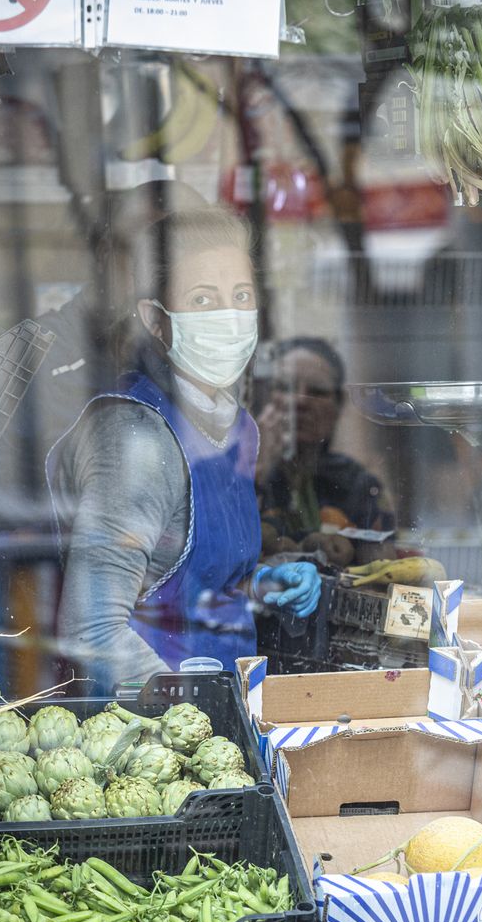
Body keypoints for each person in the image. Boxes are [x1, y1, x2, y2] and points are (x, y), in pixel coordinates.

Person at [47, 208, 322, 689]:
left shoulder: (238, 428)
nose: (229, 317)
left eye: (241, 296)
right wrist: (185, 716)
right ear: (156, 320)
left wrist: (259, 585)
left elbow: (191, 579)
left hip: (225, 711)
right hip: (147, 732)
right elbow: (91, 630)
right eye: (202, 299)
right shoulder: (136, 438)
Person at [252, 336, 396, 565]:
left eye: (317, 391)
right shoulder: (233, 475)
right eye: (285, 387)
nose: (300, 401)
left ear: (338, 405)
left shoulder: (357, 484)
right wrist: (256, 468)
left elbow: (382, 564)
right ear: (266, 397)